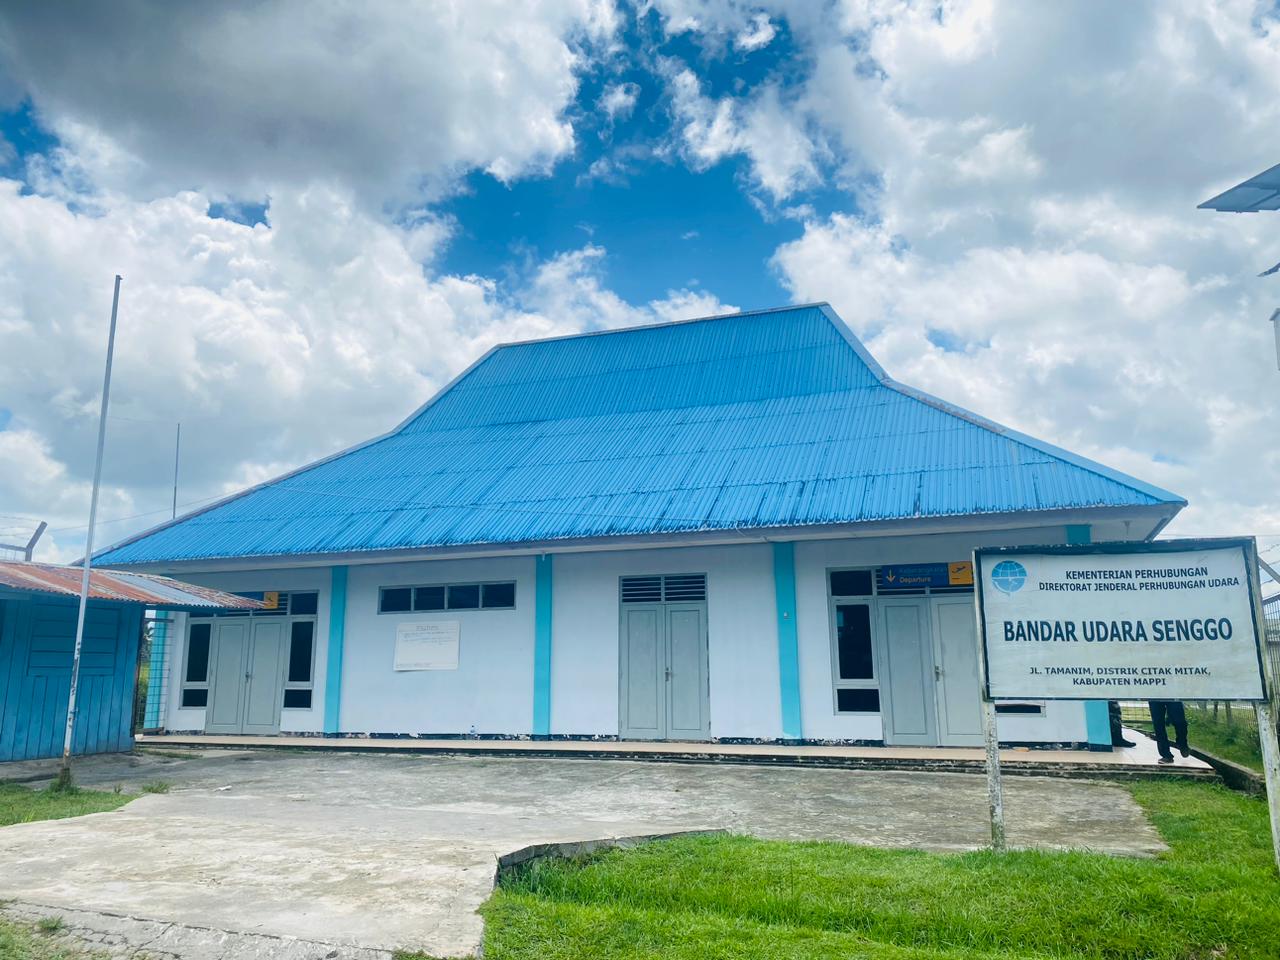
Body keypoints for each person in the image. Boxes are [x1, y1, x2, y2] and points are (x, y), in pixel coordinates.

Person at [1147, 699, 1190, 764]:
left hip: (1171, 693)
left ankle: (1182, 742)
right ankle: (1166, 755)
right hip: (1154, 694)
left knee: (1179, 720)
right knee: (1158, 724)